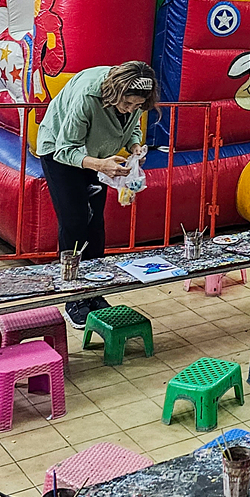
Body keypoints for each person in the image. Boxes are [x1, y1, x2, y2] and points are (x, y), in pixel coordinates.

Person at [36, 61, 158, 326]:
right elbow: (65, 149)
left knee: (95, 225)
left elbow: (132, 126)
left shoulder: (136, 99)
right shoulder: (88, 95)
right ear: (115, 93)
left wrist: (134, 146)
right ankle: (74, 296)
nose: (131, 109)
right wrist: (100, 165)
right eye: (127, 104)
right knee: (74, 222)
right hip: (61, 153)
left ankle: (95, 288)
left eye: (137, 105)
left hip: (100, 155)